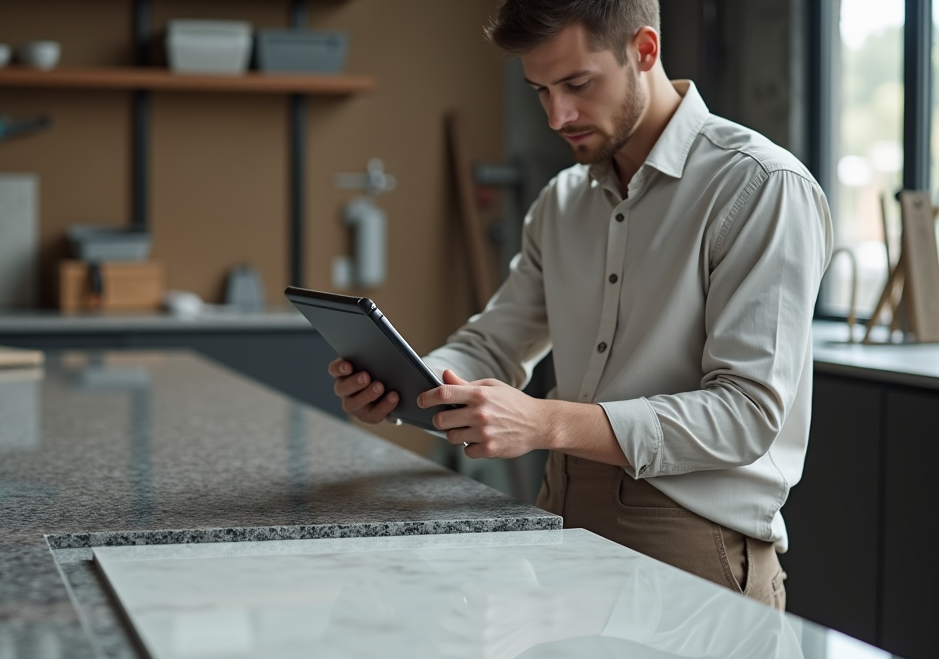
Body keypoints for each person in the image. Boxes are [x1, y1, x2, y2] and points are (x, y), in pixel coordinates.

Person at [327, 0, 832, 610]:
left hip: (695, 549)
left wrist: (543, 423)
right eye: (540, 90)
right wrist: (413, 383)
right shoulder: (561, 202)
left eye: (577, 84)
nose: (557, 115)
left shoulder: (760, 187)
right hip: (560, 520)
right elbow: (494, 344)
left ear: (644, 51)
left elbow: (745, 414)